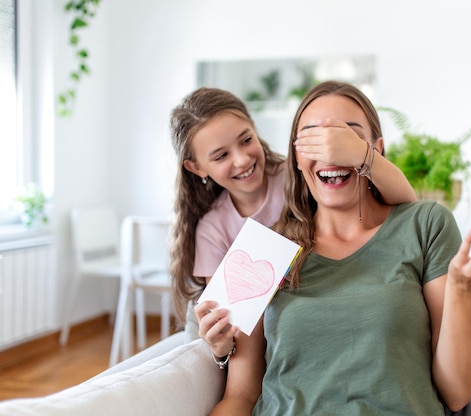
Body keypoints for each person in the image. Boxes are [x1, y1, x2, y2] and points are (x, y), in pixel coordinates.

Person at [195, 81, 471, 416]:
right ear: (297, 157)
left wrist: (465, 288)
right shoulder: (264, 249)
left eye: (347, 136)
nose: (332, 151)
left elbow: (457, 392)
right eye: (315, 139)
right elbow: (239, 396)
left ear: (376, 149)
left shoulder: (426, 224)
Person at [169, 87, 417, 361]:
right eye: (221, 156)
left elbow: (406, 203)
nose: (241, 160)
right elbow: (229, 322)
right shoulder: (211, 230)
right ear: (196, 168)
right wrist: (221, 347)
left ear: (254, 128)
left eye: (246, 140)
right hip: (260, 328)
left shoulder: (299, 174)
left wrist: (360, 153)